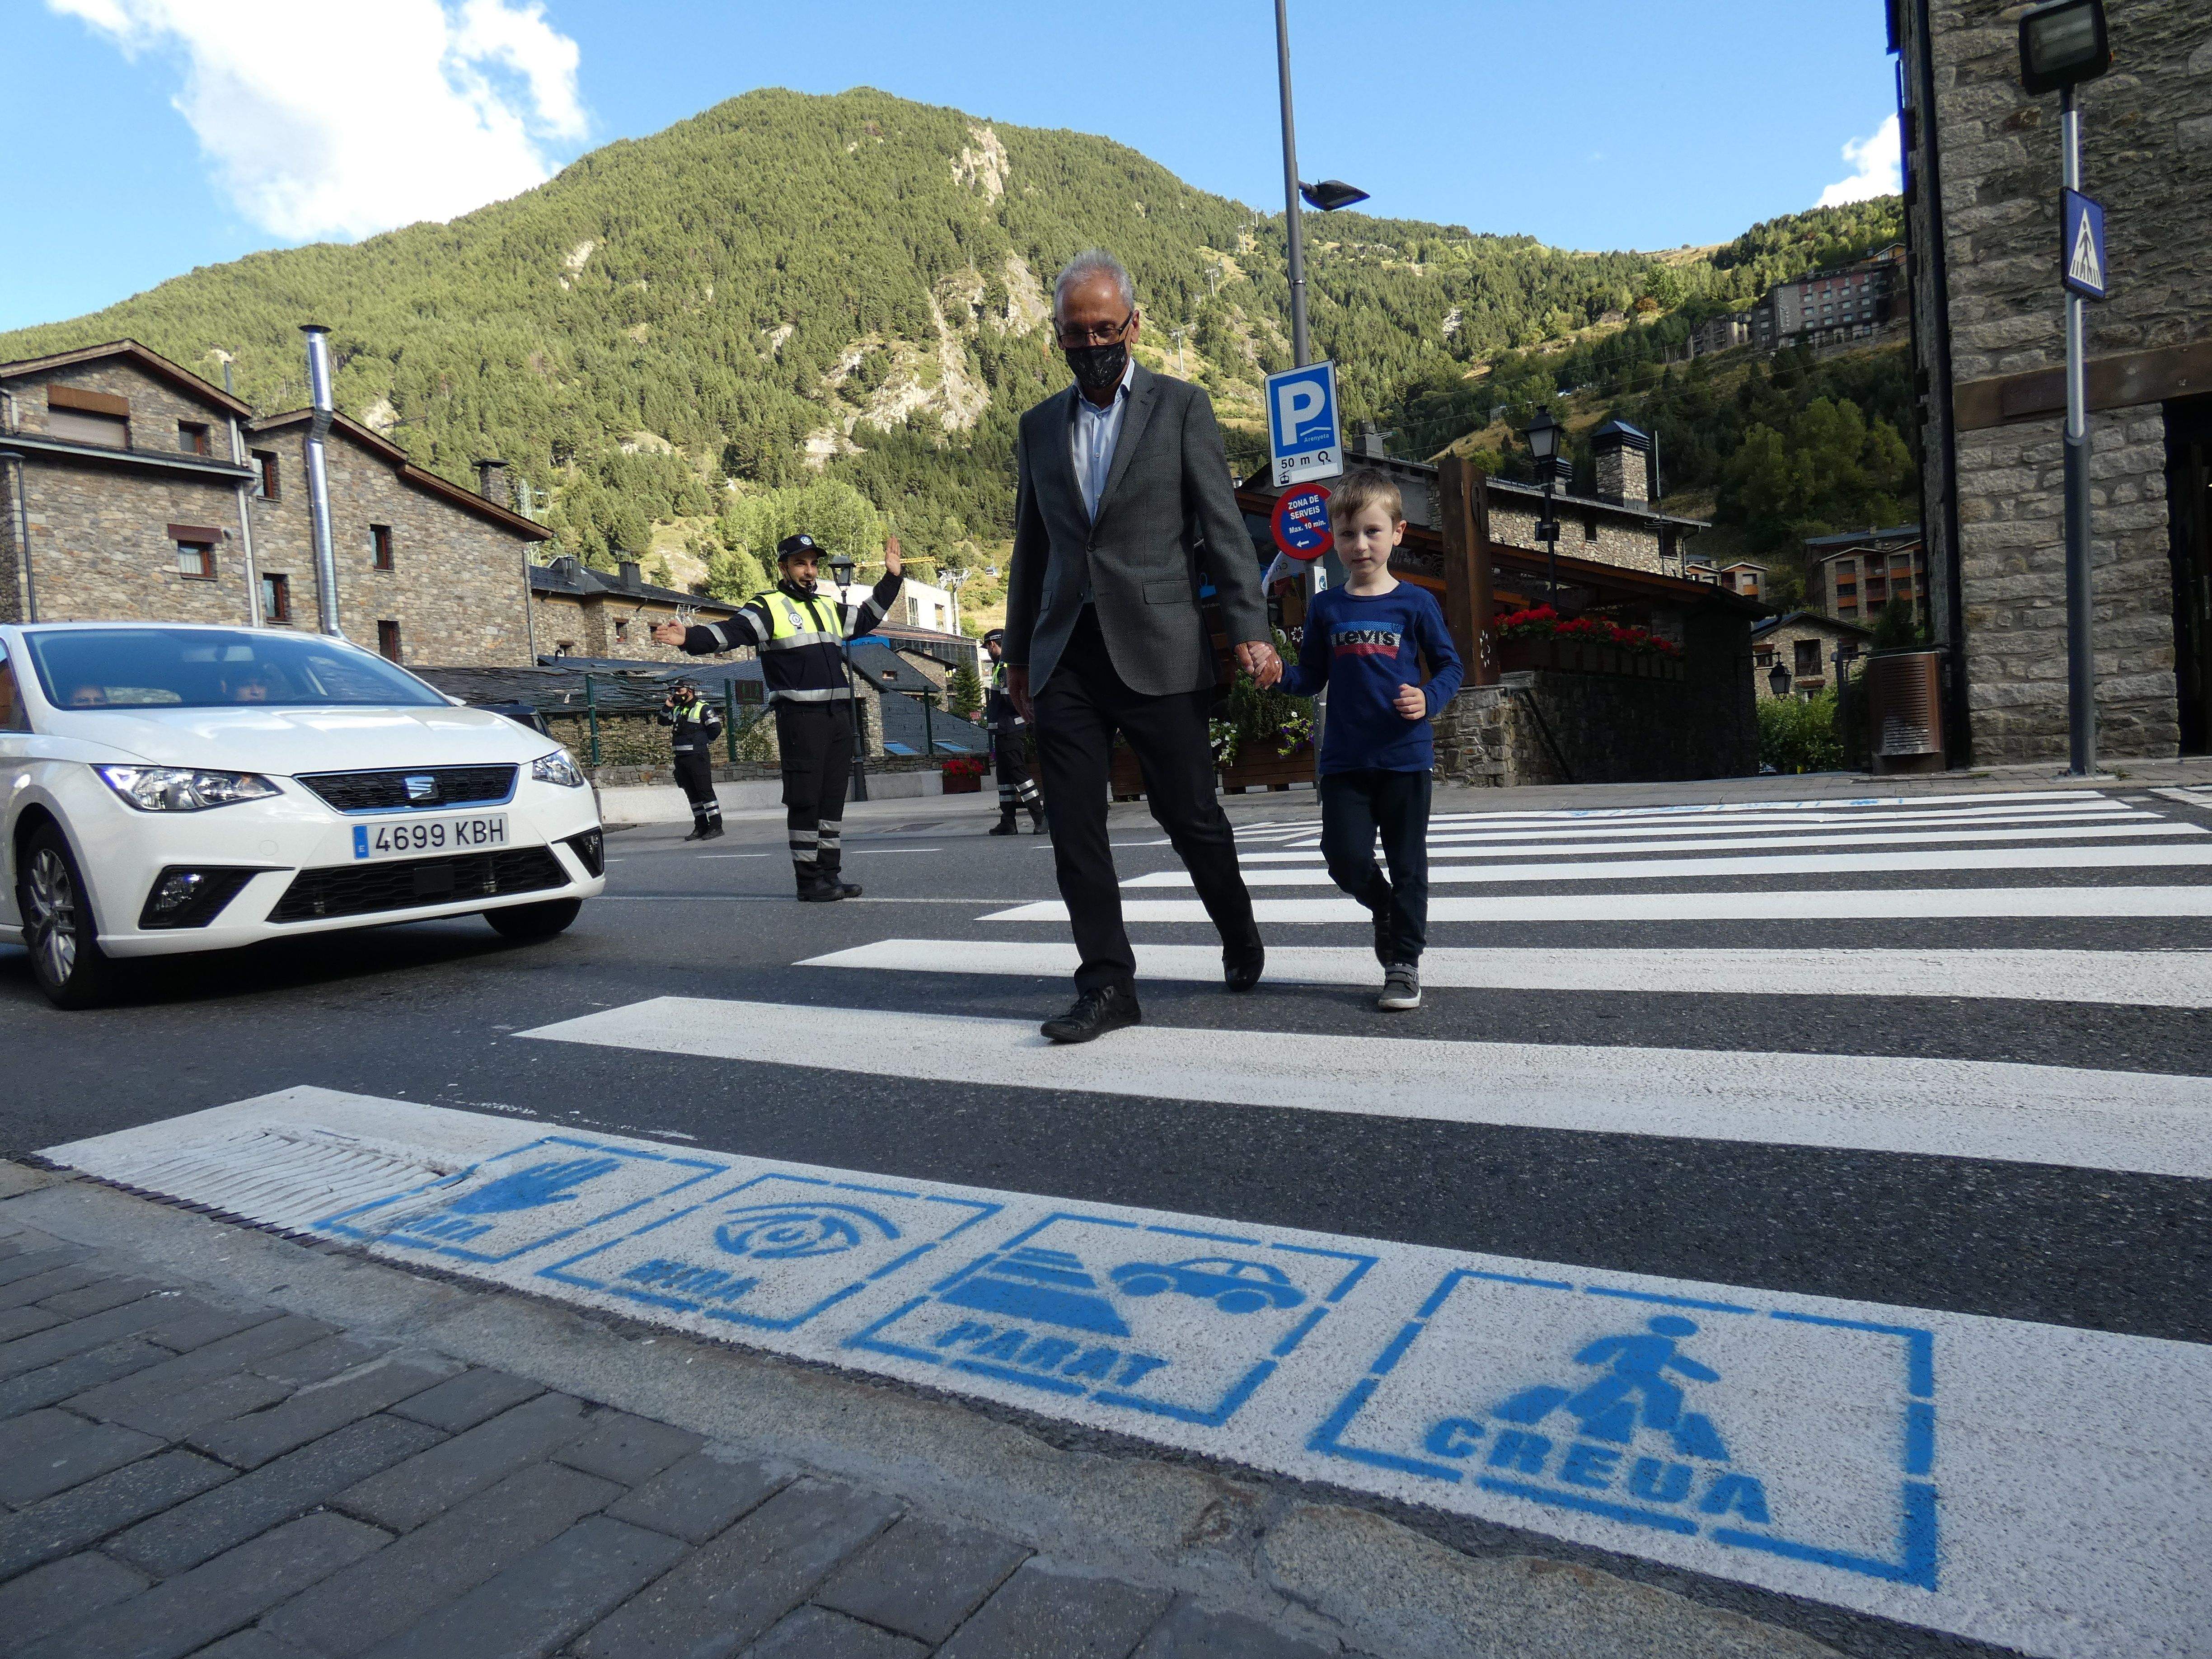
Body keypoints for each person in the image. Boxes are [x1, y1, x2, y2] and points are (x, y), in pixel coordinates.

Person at [1003, 249, 1281, 1044]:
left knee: (1189, 811)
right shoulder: (1036, 428)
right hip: (1066, 656)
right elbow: (1032, 549)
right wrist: (1019, 655)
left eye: (1101, 328)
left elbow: (1222, 530)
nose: (1089, 344)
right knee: (1073, 823)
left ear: (1132, 323)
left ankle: (1238, 927)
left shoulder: (1181, 407)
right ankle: (1106, 984)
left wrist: (1250, 629)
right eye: (1072, 332)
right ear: (1056, 334)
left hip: (1159, 644)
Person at [1277, 469, 1462, 1011]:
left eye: (1372, 532)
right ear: (1333, 539)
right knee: (1343, 856)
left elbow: (1451, 666)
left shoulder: (1416, 604)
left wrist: (1430, 698)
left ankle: (1403, 964)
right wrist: (1274, 675)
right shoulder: (1326, 608)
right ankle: (1383, 907)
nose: (1360, 545)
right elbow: (1310, 676)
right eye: (1348, 534)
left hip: (1405, 756)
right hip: (1344, 762)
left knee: (1409, 863)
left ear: (1398, 533)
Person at [654, 531, 903, 900]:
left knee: (832, 800)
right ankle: (809, 882)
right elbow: (731, 632)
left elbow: (867, 618)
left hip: (837, 717)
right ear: (784, 567)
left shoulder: (826, 606)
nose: (809, 570)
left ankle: (830, 875)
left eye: (814, 563)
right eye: (801, 563)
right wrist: (690, 638)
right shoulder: (767, 606)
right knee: (806, 799)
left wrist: (892, 578)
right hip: (801, 719)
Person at [980, 628, 1046, 836]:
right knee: (1005, 778)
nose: (988, 652)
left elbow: (1010, 699)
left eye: (987, 647)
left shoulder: (1004, 667)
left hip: (1009, 729)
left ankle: (1040, 817)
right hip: (1004, 730)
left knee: (1019, 774)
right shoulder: (1003, 666)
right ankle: (1008, 821)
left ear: (992, 645)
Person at [656, 678, 725, 841]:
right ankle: (701, 826)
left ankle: (716, 826)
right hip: (681, 758)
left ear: (690, 691)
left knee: (705, 791)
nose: (676, 694)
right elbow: (662, 721)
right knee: (692, 793)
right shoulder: (677, 709)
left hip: (697, 757)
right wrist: (668, 706)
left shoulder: (703, 707)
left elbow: (715, 729)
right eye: (674, 691)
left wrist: (703, 743)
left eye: (679, 691)